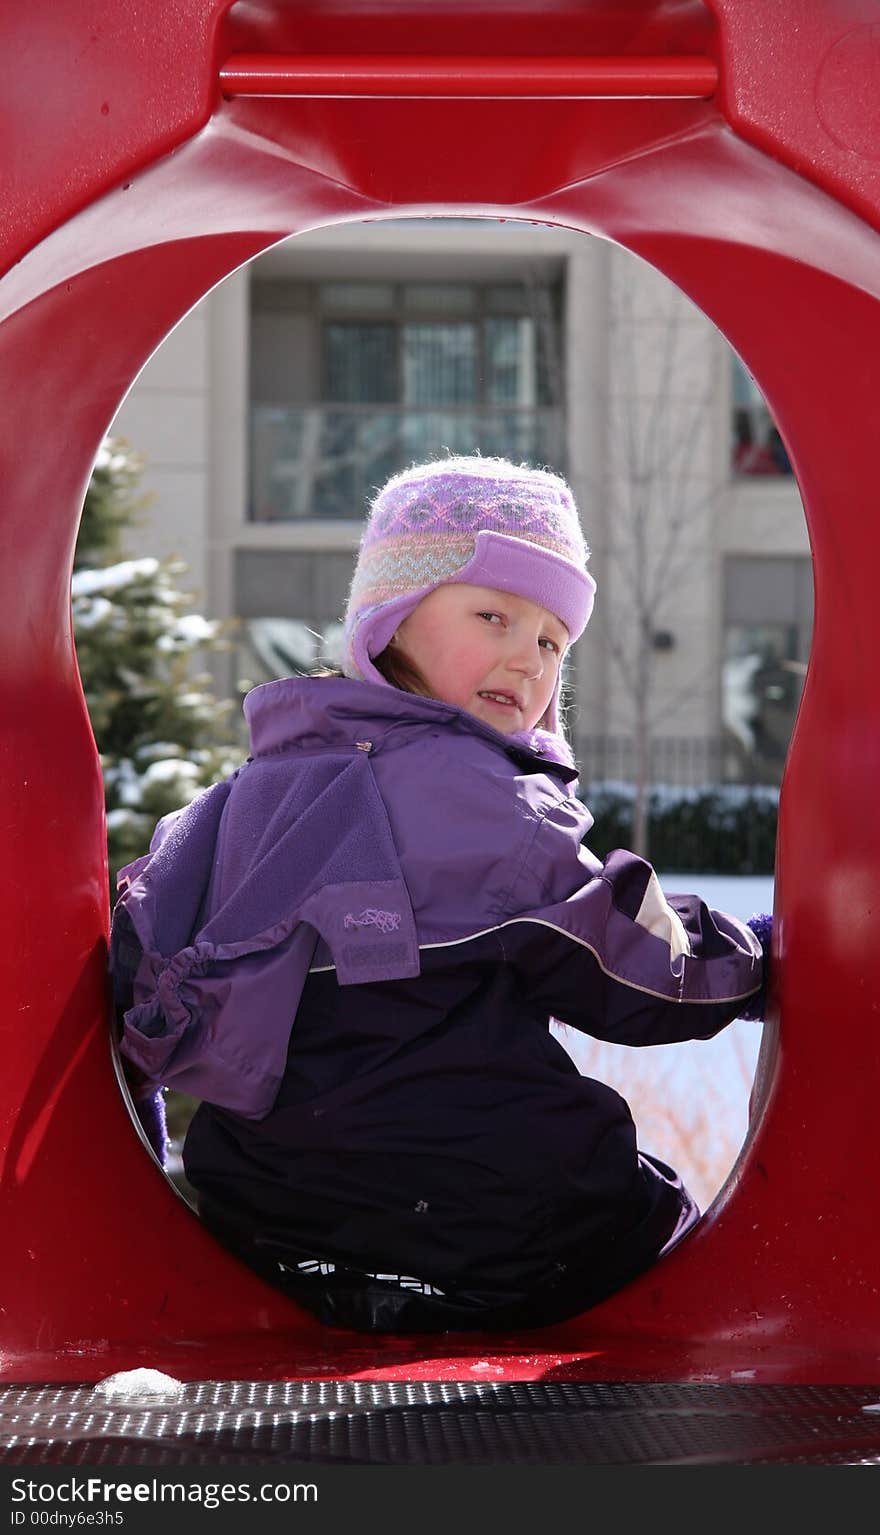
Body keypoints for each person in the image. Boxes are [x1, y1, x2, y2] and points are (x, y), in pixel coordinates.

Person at [109, 454, 771, 1334]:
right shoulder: (486, 801)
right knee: (650, 1220)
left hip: (269, 1222)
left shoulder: (246, 794)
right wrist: (760, 956)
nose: (524, 657)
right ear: (387, 621)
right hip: (500, 1223)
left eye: (550, 641)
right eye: (492, 613)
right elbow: (636, 970)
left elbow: (139, 966)